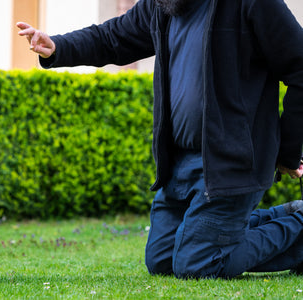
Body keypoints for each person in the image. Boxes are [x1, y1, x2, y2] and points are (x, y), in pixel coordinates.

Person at [17, 0, 303, 279]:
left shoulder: (253, 3)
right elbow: (112, 37)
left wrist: (287, 152)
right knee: (162, 259)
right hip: (179, 165)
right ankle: (274, 220)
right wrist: (58, 46)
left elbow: (300, 69)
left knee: (197, 264)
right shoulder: (162, 6)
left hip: (232, 164)